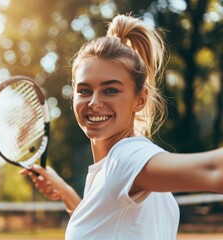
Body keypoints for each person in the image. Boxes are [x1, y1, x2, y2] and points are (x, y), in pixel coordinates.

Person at [20, 13, 223, 240]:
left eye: (110, 90)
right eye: (85, 90)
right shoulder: (113, 172)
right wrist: (65, 192)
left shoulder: (125, 159)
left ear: (140, 99)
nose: (94, 103)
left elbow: (214, 170)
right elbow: (105, 228)